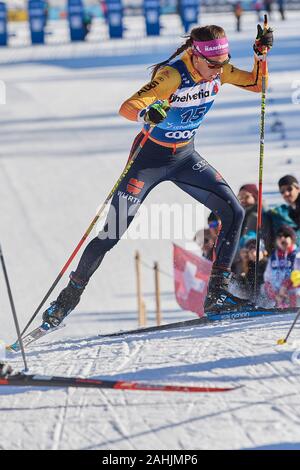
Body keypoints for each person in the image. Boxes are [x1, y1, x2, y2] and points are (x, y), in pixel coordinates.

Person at [41, 22, 274, 326]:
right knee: (111, 232)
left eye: (224, 62)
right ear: (197, 54)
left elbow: (258, 85)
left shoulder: (221, 69)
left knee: (234, 211)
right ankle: (67, 299)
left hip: (185, 157)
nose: (220, 70)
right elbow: (127, 106)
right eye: (214, 64)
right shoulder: (172, 75)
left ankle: (216, 294)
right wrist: (146, 113)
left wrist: (260, 56)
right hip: (148, 161)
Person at [264, 226, 298, 308]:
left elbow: (297, 274)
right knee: (264, 287)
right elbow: (267, 279)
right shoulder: (273, 258)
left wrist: (285, 286)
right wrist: (275, 296)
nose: (282, 238)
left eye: (286, 236)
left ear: (292, 239)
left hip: (294, 295)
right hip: (278, 299)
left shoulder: (297, 255)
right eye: (279, 236)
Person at [266, 175, 300, 251]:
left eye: (289, 189)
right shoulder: (291, 210)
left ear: (298, 188)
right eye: (282, 191)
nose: (286, 193)